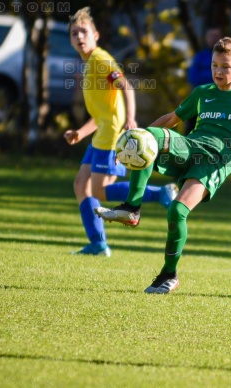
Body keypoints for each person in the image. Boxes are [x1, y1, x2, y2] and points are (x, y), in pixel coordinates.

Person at [95, 37, 231, 293]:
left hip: (218, 161)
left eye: (225, 66)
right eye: (214, 65)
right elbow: (172, 119)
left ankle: (167, 274)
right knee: (148, 138)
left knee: (176, 211)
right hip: (192, 147)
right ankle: (132, 208)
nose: (218, 71)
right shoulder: (202, 93)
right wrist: (131, 142)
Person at [64, 7, 177, 257]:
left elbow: (126, 86)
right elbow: (99, 114)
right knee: (81, 185)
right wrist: (80, 133)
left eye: (84, 31)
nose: (79, 37)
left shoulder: (101, 59)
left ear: (96, 34)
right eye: (74, 33)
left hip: (112, 135)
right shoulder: (88, 64)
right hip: (99, 135)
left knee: (98, 190)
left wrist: (131, 118)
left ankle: (161, 193)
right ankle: (98, 243)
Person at [183, 26, 224, 135]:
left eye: (215, 36)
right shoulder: (200, 56)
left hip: (218, 99)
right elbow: (193, 77)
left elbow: (226, 77)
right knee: (191, 127)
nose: (212, 39)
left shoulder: (226, 57)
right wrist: (212, 79)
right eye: (210, 36)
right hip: (199, 98)